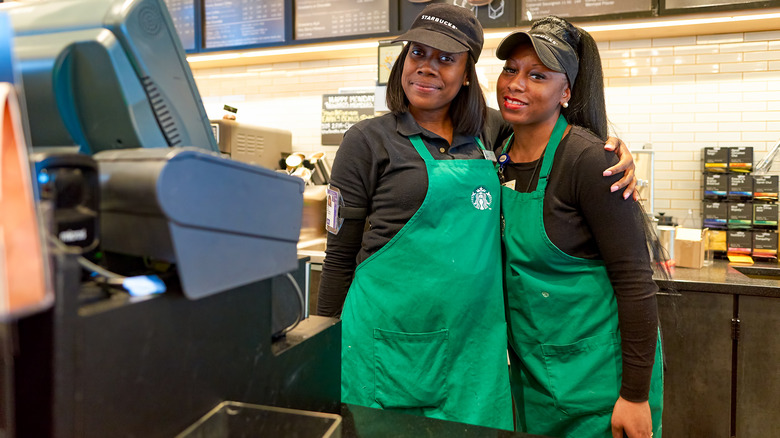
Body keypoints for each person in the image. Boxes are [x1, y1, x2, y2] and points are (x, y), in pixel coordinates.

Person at [316, 4, 635, 430]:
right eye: (417, 54)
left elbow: (553, 128)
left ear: (467, 73)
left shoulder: (492, 132)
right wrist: (320, 353)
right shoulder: (366, 141)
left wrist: (612, 150)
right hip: (386, 351)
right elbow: (339, 257)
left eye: (446, 59)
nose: (427, 68)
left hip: (474, 359)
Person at [494, 16, 663, 438]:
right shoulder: (495, 154)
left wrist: (636, 396)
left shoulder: (590, 161)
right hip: (534, 380)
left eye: (537, 75)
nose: (516, 83)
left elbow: (635, 281)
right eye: (510, 69)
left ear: (565, 92)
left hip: (601, 389)